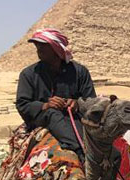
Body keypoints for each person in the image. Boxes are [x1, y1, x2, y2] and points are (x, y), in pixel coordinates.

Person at [15, 28, 97, 157]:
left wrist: (77, 104)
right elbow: (22, 104)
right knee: (52, 113)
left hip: (74, 117)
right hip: (42, 118)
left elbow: (92, 101)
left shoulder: (79, 72)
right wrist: (45, 105)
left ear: (56, 48)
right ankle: (79, 152)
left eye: (43, 46)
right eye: (37, 46)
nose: (38, 49)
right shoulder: (29, 74)